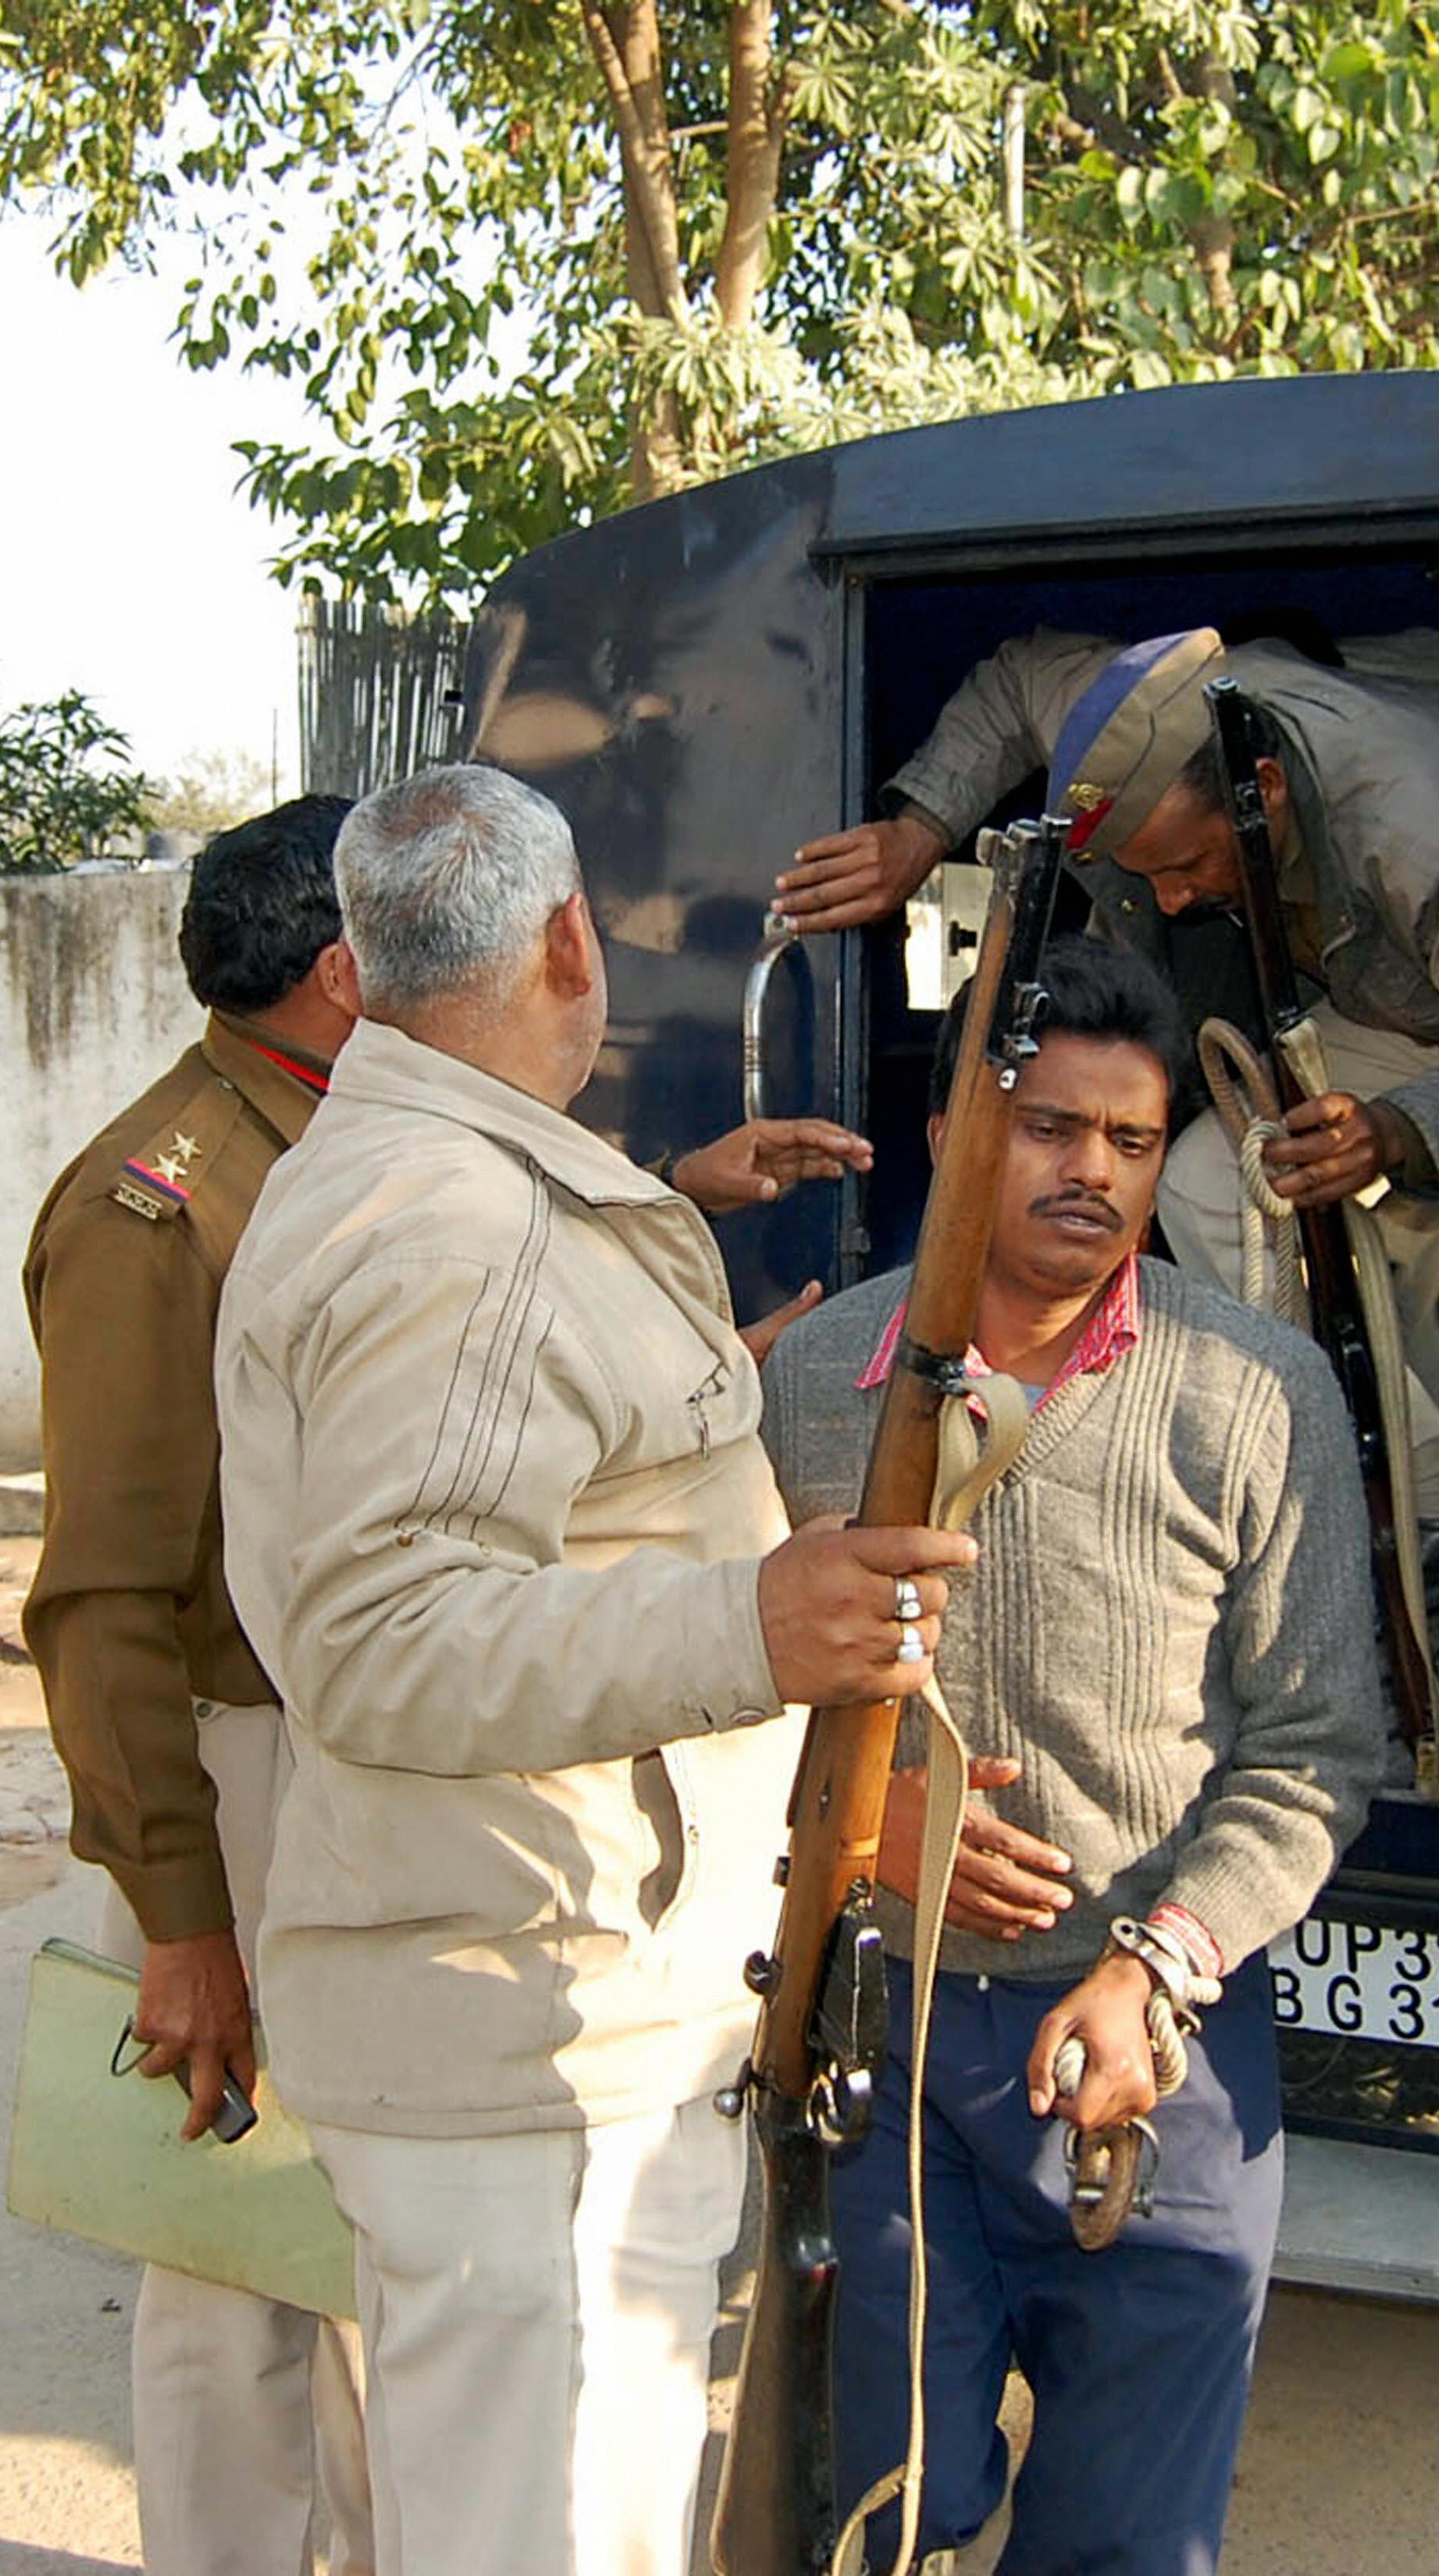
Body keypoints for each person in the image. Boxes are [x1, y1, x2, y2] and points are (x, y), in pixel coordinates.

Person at [211, 762, 974, 2576]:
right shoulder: (454, 1227)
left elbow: (519, 1461)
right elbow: (381, 1634)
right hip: (524, 2044)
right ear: (566, 937)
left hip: (512, 1997)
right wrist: (747, 1619)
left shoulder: (428, 1180)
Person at [759, 937, 1387, 2576]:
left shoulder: (1258, 1391)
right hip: (884, 2048)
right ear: (965, 1133)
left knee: (1126, 2543)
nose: (1092, 1173)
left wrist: (1156, 1969)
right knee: (883, 2514)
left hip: (1153, 2060)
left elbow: (1319, 1747)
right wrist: (881, 1820)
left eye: (1131, 1139)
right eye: (1049, 1128)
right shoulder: (818, 1381)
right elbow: (726, 1688)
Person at [769, 624, 1439, 1482]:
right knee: (1212, 1180)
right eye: (1146, 873)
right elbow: (1019, 678)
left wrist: (1398, 1130)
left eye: (1187, 864)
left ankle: (1427, 1500)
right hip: (1363, 991)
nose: (1169, 903)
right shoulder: (1130, 727)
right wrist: (917, 834)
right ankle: (1386, 1470)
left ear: (1265, 790)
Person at [21, 794, 379, 2576]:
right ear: (344, 970)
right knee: (230, 2267)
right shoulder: (158, 1201)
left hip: (343, 1761)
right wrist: (177, 1915)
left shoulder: (329, 1134)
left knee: (370, 2243)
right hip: (232, 1776)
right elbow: (95, 1598)